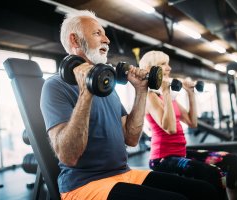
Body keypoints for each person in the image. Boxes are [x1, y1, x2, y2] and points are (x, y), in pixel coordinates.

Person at [40, 10, 221, 200]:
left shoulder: (106, 87)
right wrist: (86, 93)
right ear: (75, 40)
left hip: (124, 174)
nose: (107, 39)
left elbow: (132, 138)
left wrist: (141, 90)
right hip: (83, 186)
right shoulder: (55, 86)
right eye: (97, 33)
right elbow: (68, 156)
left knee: (203, 191)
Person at [139, 50, 237, 200]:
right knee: (212, 174)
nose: (169, 68)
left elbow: (192, 123)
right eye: (163, 64)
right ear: (151, 70)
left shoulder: (169, 97)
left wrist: (190, 93)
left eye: (168, 64)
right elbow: (170, 128)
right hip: (162, 159)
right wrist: (166, 93)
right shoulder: (150, 97)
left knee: (232, 161)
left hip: (181, 153)